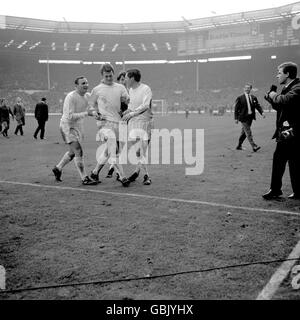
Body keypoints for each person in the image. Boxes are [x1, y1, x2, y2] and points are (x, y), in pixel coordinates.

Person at [262, 62, 300, 200]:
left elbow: (285, 100)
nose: (277, 75)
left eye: (279, 72)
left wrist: (273, 95)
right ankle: (295, 191)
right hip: (289, 131)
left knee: (280, 159)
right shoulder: (290, 87)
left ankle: (276, 190)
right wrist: (271, 100)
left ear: (287, 74)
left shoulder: (297, 87)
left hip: (291, 131)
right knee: (293, 161)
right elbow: (282, 107)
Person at [89, 63, 131, 187]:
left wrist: (127, 106)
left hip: (118, 123)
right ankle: (123, 177)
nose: (109, 78)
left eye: (111, 75)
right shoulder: (97, 90)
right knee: (114, 148)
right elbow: (90, 106)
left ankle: (94, 172)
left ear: (113, 74)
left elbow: (128, 102)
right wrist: (94, 113)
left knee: (108, 151)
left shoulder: (120, 88)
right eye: (106, 76)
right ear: (102, 75)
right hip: (104, 124)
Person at [52, 76, 98, 185]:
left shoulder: (87, 96)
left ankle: (58, 168)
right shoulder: (71, 97)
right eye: (83, 83)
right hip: (67, 126)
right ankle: (84, 178)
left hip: (78, 127)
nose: (86, 85)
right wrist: (87, 113)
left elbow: (91, 108)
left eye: (86, 83)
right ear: (76, 86)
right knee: (78, 150)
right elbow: (69, 116)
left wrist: (95, 113)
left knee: (72, 153)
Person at [122, 68, 153, 185]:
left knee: (141, 151)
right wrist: (127, 112)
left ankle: (146, 176)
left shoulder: (146, 89)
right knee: (138, 152)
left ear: (132, 78)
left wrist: (132, 113)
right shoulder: (130, 90)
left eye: (126, 77)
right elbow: (131, 106)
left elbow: (145, 105)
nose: (124, 80)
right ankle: (137, 172)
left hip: (145, 123)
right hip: (133, 123)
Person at [106, 70, 128, 179]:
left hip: (124, 123)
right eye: (122, 79)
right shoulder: (116, 92)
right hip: (114, 123)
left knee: (117, 149)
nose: (124, 81)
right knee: (115, 148)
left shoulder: (127, 92)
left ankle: (110, 168)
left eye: (126, 79)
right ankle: (117, 172)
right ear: (118, 80)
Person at [234, 83, 265, 152]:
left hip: (250, 118)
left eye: (248, 88)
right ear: (244, 89)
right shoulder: (240, 98)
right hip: (243, 118)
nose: (247, 89)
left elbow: (257, 106)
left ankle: (239, 146)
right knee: (248, 132)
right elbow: (236, 109)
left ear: (251, 89)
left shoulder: (254, 97)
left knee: (244, 133)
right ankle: (254, 146)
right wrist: (236, 118)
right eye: (246, 88)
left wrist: (262, 112)